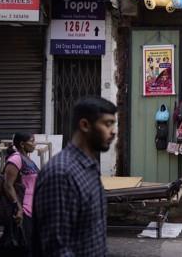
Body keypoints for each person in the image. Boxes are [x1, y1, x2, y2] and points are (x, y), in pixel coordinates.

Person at [32, 97, 117, 256]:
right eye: (107, 124)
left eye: (113, 124)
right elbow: (56, 249)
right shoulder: (61, 175)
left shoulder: (90, 166)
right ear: (85, 125)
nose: (113, 131)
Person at [0, 132, 39, 256]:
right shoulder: (16, 158)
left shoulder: (28, 159)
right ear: (22, 144)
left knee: (16, 247)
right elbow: (8, 185)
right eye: (32, 141)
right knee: (21, 247)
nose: (35, 144)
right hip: (23, 210)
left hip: (31, 208)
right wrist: (18, 208)